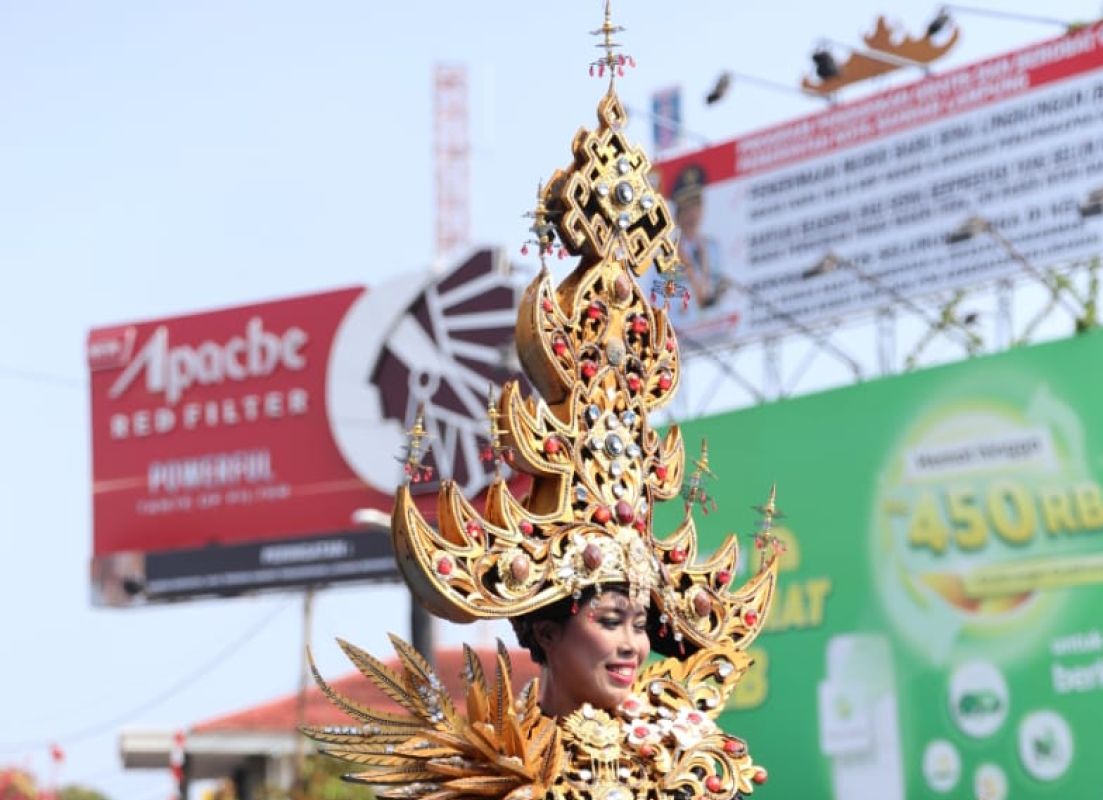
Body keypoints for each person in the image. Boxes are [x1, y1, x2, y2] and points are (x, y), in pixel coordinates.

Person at [304, 11, 779, 800]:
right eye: (610, 620)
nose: (632, 644)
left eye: (637, 621)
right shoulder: (501, 774)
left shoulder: (687, 760)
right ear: (547, 632)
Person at [512, 586, 649, 718]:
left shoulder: (664, 737)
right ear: (547, 635)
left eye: (640, 626)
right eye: (611, 622)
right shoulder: (506, 740)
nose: (632, 646)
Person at [672, 164, 728, 310]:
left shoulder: (713, 247)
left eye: (696, 207)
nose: (692, 215)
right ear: (677, 215)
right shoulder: (668, 255)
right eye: (686, 208)